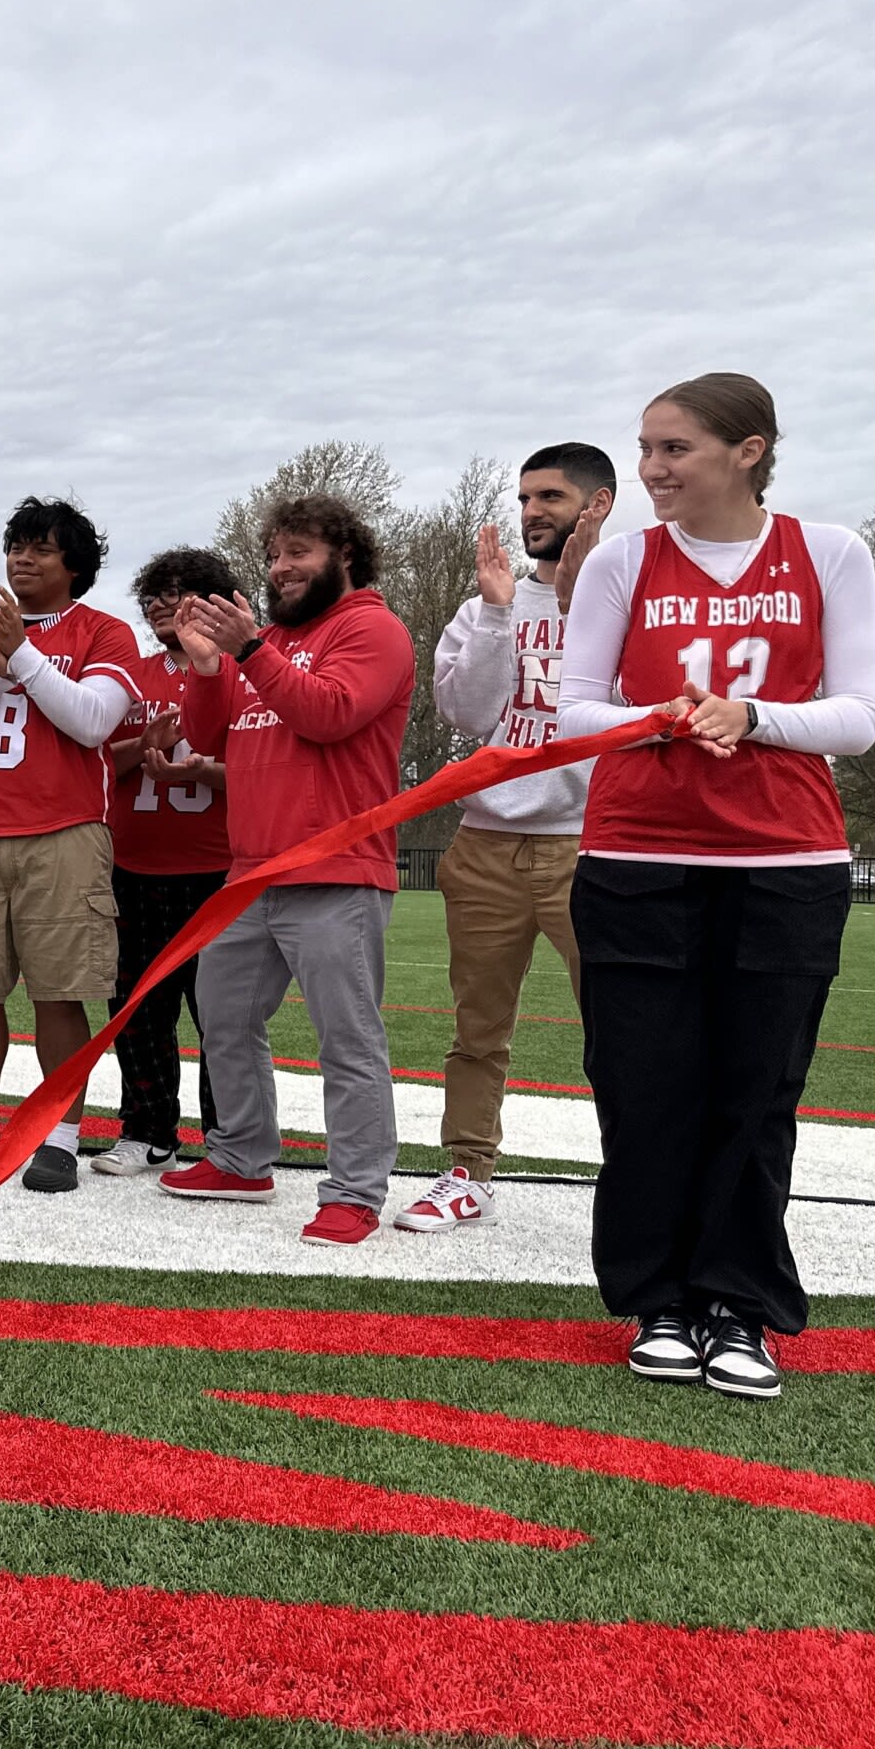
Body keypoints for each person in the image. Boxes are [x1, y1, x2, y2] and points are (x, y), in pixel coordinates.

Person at [560, 373, 875, 1399]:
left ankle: (738, 1305)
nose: (648, 470)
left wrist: (753, 717)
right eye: (644, 448)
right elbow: (571, 709)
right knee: (644, 1086)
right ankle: (659, 1300)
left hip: (784, 864)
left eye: (672, 449)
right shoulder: (620, 563)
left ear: (748, 451)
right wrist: (656, 717)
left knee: (756, 1090)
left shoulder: (828, 552)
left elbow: (859, 713)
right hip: (636, 860)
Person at [160, 494, 414, 1246]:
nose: (280, 567)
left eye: (297, 552)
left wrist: (247, 653)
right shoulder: (263, 639)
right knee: (226, 1019)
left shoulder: (373, 627)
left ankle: (357, 1189)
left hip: (337, 868)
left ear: (345, 556)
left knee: (347, 1037)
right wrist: (207, 669)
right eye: (273, 554)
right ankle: (241, 1159)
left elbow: (329, 713)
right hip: (250, 873)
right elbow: (209, 737)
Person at [400, 444, 614, 1232]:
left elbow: (639, 705)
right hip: (486, 846)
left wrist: (579, 599)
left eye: (551, 497)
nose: (532, 513)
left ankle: (641, 1174)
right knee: (476, 1027)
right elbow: (469, 715)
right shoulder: (483, 605)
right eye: (525, 498)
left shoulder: (624, 598)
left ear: (599, 505)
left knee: (624, 1022)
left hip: (589, 846)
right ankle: (465, 1172)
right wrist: (496, 614)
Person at [0, 497, 142, 1192]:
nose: (22, 558)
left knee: (60, 993)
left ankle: (59, 1136)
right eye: (16, 545)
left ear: (74, 564)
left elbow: (92, 722)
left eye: (41, 548)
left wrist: (24, 656)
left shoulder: (105, 633)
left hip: (64, 832)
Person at [92, 547, 235, 1178]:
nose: (158, 604)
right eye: (151, 594)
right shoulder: (131, 678)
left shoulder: (243, 673)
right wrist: (139, 746)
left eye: (174, 591)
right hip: (133, 866)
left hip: (217, 869)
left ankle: (228, 1137)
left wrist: (204, 769)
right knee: (137, 1006)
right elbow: (95, 768)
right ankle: (147, 1128)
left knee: (222, 1013)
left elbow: (266, 773)